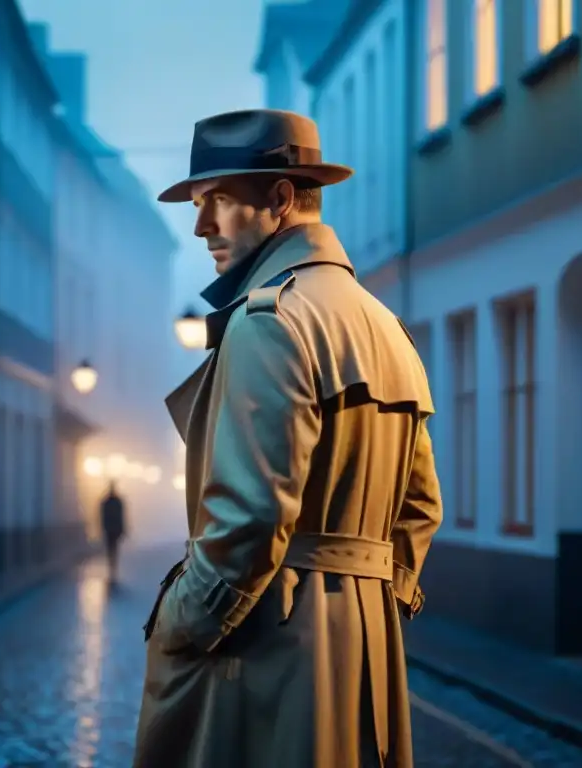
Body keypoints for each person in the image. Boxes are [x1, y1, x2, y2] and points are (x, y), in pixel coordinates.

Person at [133, 109, 443, 768]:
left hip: (266, 655)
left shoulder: (271, 320)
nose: (200, 225)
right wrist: (371, 607)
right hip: (364, 652)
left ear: (278, 199)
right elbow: (418, 509)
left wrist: (181, 626)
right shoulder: (383, 323)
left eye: (218, 200)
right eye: (197, 203)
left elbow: (249, 520)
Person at [99, 482, 126, 580]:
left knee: (111, 550)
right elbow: (121, 517)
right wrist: (122, 529)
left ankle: (112, 569)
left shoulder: (106, 502)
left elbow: (102, 517)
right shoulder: (118, 502)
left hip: (109, 529)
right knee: (114, 550)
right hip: (114, 530)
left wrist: (102, 528)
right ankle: (113, 569)